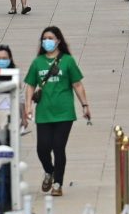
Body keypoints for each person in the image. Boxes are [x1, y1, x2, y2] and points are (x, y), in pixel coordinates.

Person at [23, 27, 91, 197]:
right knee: (42, 148)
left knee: (58, 147)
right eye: (44, 38)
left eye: (50, 38)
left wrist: (85, 105)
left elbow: (77, 84)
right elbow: (30, 85)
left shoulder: (68, 61)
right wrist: (28, 106)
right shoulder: (37, 62)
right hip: (44, 112)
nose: (47, 41)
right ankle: (49, 171)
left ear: (58, 40)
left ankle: (58, 183)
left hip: (64, 112)